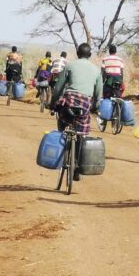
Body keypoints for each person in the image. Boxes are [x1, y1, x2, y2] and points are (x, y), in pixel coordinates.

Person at [50, 43, 103, 181]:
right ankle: (77, 167)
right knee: (82, 133)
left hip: (69, 101)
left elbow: (58, 88)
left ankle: (62, 140)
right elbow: (98, 93)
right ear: (89, 55)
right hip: (85, 104)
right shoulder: (96, 70)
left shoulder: (70, 66)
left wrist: (52, 103)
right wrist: (95, 107)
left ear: (77, 53)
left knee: (62, 121)